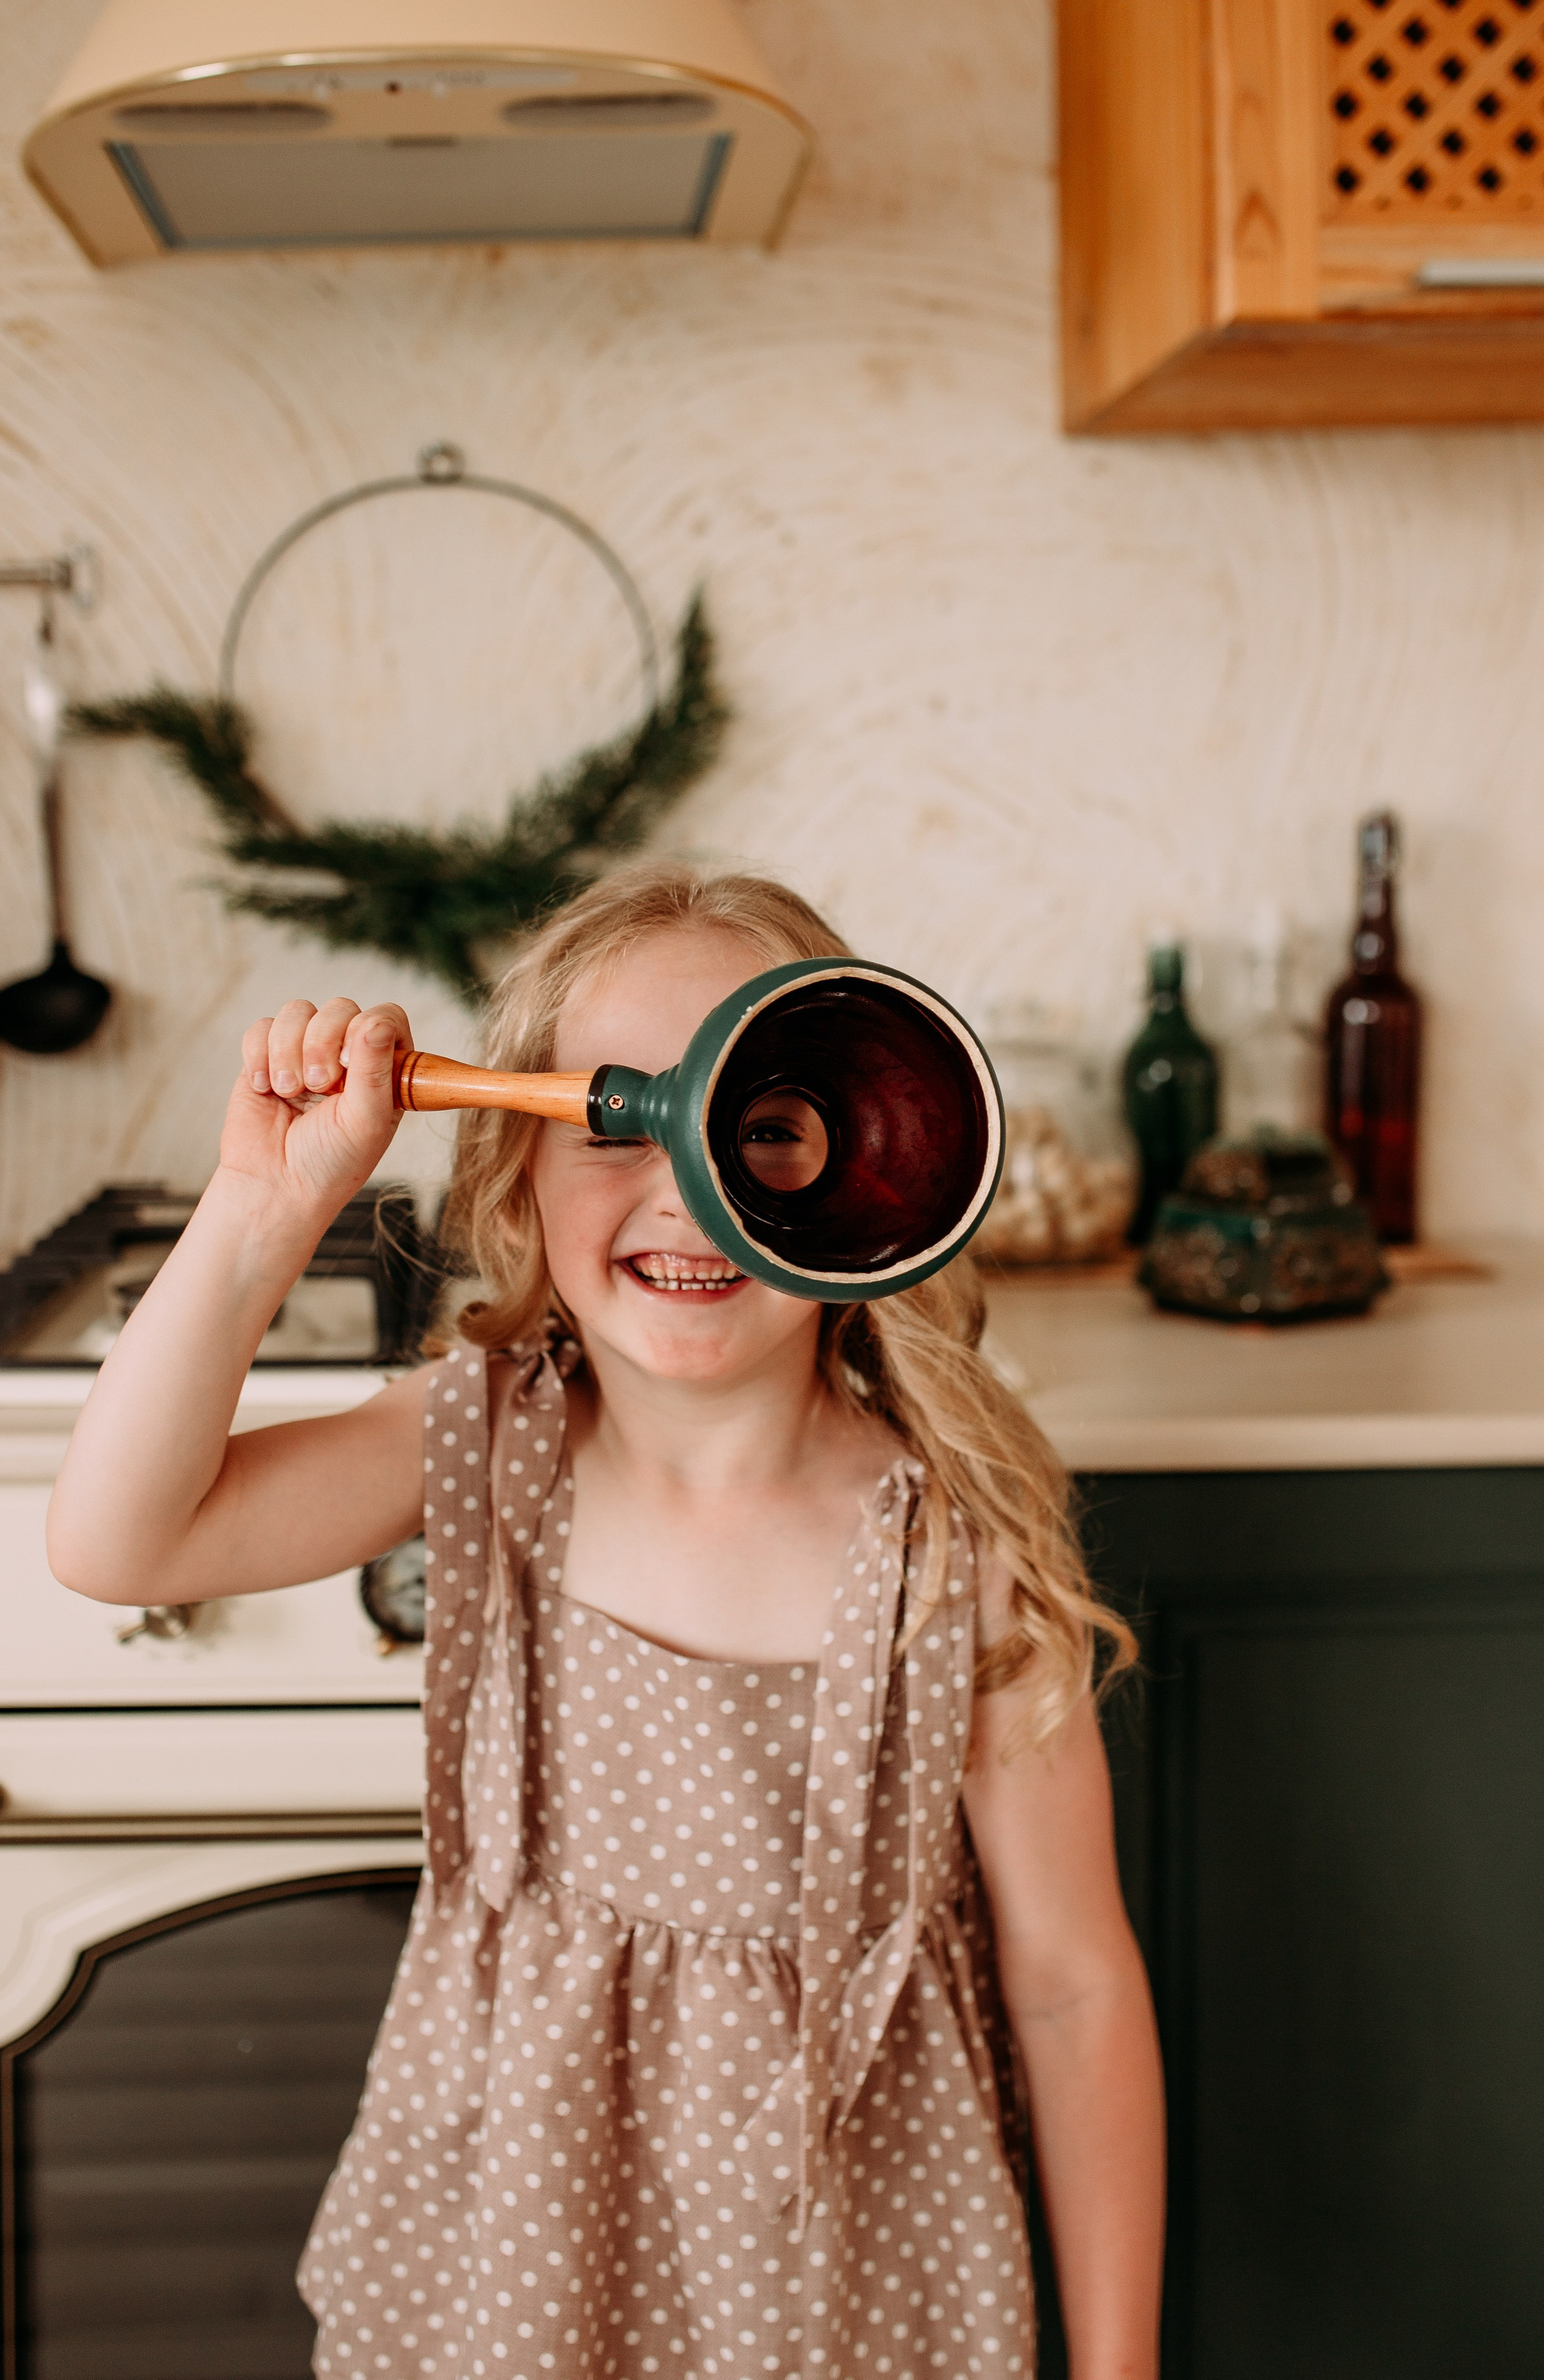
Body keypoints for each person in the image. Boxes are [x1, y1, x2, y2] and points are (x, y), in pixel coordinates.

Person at [49, 865, 1165, 2380]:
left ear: (874, 1179)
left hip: (845, 2282)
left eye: (761, 1130)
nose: (688, 1189)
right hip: (508, 2259)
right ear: (515, 1172)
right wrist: (264, 1203)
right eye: (612, 1120)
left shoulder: (950, 1548)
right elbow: (120, 1540)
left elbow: (1073, 1980)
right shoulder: (477, 1436)